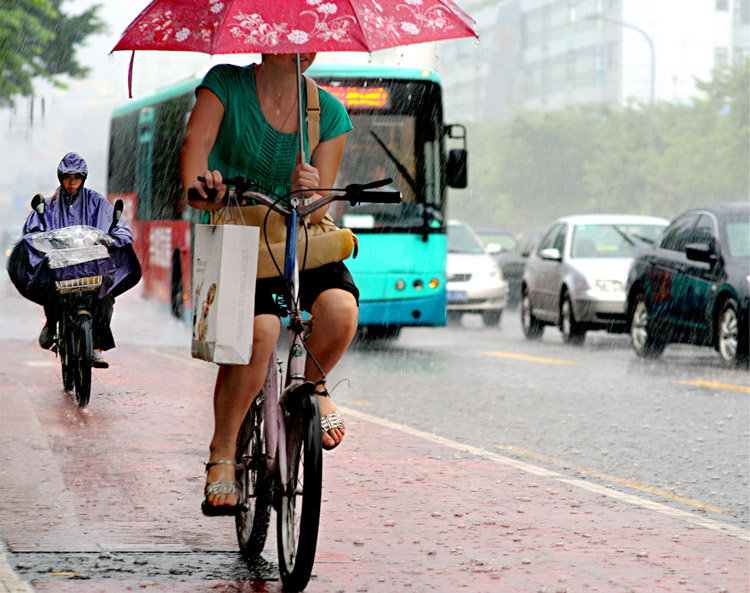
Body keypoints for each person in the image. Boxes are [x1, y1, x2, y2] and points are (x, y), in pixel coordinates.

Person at [180, 53, 356, 515]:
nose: (299, 44)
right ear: (263, 38)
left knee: (340, 311)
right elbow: (195, 145)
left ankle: (313, 384)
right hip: (241, 234)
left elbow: (319, 207)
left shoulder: (328, 112)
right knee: (260, 333)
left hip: (300, 236)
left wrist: (310, 193)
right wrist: (204, 188)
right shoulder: (224, 85)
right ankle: (222, 452)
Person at [8, 152, 141, 368]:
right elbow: (34, 229)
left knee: (105, 297)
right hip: (61, 268)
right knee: (50, 287)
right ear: (60, 178)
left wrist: (117, 238)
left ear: (83, 179)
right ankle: (51, 324)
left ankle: (97, 346)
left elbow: (117, 226)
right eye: (67, 177)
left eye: (76, 178)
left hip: (92, 268)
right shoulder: (49, 204)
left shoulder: (97, 202)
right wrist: (38, 239)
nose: (72, 183)